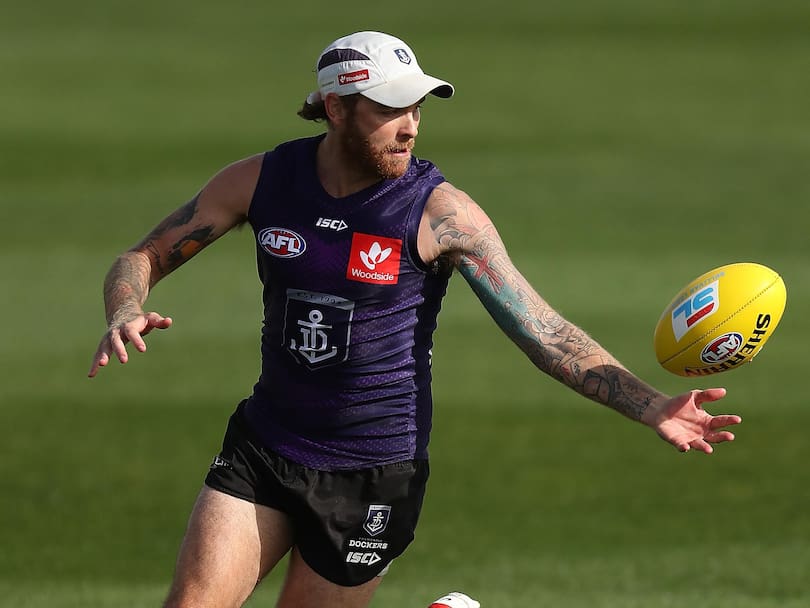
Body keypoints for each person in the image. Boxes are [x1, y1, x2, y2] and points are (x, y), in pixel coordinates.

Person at [88, 31, 742, 608]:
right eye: (389, 109)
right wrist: (126, 308)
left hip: (372, 475)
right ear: (336, 108)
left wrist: (652, 406)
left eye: (416, 108)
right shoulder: (261, 181)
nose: (410, 126)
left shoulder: (440, 214)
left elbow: (545, 332)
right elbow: (142, 255)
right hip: (265, 446)